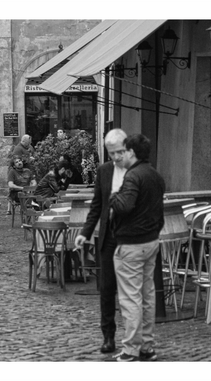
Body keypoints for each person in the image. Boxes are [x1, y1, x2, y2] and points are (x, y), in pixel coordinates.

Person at [108, 134, 165, 362]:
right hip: (151, 241)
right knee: (147, 296)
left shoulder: (133, 176)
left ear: (132, 152)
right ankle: (147, 347)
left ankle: (131, 349)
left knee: (131, 299)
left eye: (125, 151)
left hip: (131, 244)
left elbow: (125, 205)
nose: (122, 155)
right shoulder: (155, 175)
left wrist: (113, 196)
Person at [74, 128, 128, 355]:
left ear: (128, 149)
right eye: (112, 153)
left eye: (120, 152)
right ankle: (108, 336)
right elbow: (97, 205)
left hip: (130, 239)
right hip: (108, 238)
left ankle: (134, 339)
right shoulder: (104, 171)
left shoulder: (137, 170)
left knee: (130, 291)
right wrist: (85, 232)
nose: (116, 157)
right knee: (106, 289)